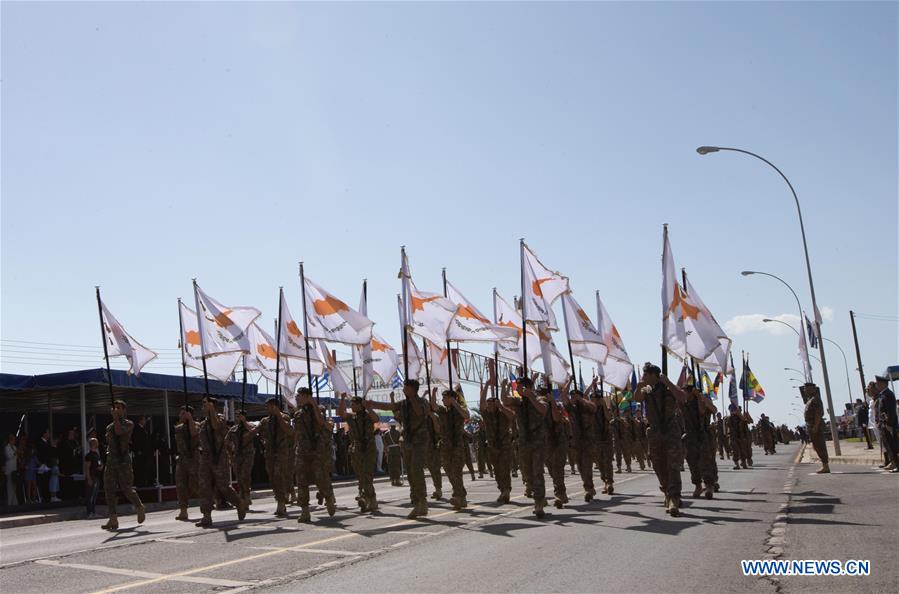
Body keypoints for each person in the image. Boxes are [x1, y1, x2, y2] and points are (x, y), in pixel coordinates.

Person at [633, 363, 690, 517]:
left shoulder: (668, 389)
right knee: (658, 465)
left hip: (671, 431)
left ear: (653, 375)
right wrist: (639, 387)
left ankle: (674, 498)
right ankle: (667, 491)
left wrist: (668, 383)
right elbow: (636, 398)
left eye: (645, 375)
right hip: (655, 432)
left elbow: (683, 398)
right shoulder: (647, 390)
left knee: (673, 465)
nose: (643, 377)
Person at [369, 380, 432, 519]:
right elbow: (389, 406)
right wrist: (372, 404)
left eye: (406, 387)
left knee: (416, 469)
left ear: (412, 389)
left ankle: (421, 502)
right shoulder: (403, 404)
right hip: (408, 441)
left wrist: (412, 398)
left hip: (420, 440)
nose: (403, 389)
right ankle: (419, 502)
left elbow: (420, 413)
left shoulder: (422, 402)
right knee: (410, 472)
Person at [195, 396, 246, 528]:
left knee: (223, 486)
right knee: (204, 486)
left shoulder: (220, 418)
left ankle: (239, 502)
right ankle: (206, 516)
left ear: (212, 405)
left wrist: (212, 412)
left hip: (219, 457)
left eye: (205, 404)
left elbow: (216, 426)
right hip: (206, 458)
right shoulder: (203, 423)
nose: (203, 406)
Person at [503, 376, 549, 518]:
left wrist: (531, 396)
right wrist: (504, 387)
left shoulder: (540, 399)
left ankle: (539, 503)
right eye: (518, 387)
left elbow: (543, 410)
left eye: (521, 386)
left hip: (537, 443)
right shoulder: (519, 402)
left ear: (529, 387)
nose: (519, 389)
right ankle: (537, 495)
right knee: (527, 474)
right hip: (523, 443)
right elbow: (505, 401)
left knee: (537, 473)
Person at [101, 399, 146, 531]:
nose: (116, 410)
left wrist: (116, 419)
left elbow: (120, 432)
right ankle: (113, 518)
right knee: (109, 489)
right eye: (114, 407)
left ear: (124, 410)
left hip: (123, 461)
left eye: (119, 407)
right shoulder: (109, 427)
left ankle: (139, 506)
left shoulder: (129, 423)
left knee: (126, 488)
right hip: (111, 461)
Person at [294, 388, 336, 522]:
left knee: (321, 478)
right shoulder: (298, 414)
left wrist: (313, 404)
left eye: (299, 396)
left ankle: (328, 497)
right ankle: (305, 511)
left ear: (306, 396)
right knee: (301, 481)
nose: (297, 398)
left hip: (317, 452)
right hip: (302, 452)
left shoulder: (318, 411)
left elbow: (321, 422)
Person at [252, 397, 294, 517]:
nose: (267, 408)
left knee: (278, 475)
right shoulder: (265, 420)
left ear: (275, 406)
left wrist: (278, 416)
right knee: (272, 478)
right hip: (269, 453)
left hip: (281, 452)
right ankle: (280, 498)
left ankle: (281, 502)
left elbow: (289, 431)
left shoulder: (284, 417)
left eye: (269, 406)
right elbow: (255, 430)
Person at [339, 393, 380, 513]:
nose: (351, 405)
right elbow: (340, 413)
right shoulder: (352, 417)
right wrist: (341, 399)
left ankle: (368, 498)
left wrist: (367, 407)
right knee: (360, 475)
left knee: (367, 475)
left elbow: (376, 419)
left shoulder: (367, 415)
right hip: (356, 449)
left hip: (368, 448)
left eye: (353, 404)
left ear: (360, 405)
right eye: (350, 403)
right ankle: (367, 496)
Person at [480, 371, 515, 503]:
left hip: (505, 445)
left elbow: (512, 416)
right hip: (493, 446)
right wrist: (487, 385)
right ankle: (502, 490)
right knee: (497, 470)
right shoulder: (487, 415)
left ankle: (506, 491)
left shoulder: (502, 414)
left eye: (491, 404)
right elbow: (482, 403)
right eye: (488, 405)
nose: (489, 406)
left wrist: (501, 406)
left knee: (505, 468)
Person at [562, 379, 598, 502]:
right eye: (572, 396)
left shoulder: (587, 407)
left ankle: (588, 489)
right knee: (580, 467)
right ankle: (589, 487)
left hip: (588, 441)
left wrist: (581, 399)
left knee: (587, 465)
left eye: (574, 396)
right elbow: (563, 396)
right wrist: (569, 381)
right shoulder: (571, 409)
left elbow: (594, 408)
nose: (572, 398)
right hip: (576, 442)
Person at [435, 388, 470, 511]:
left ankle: (459, 497)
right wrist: (433, 393)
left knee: (457, 472)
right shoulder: (444, 411)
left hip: (457, 445)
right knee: (449, 471)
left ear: (452, 398)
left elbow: (467, 415)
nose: (443, 400)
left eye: (445, 398)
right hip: (446, 446)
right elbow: (434, 406)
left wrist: (455, 403)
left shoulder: (459, 410)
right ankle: (460, 495)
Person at [681, 385, 719, 499]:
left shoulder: (701, 402)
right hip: (690, 437)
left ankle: (709, 486)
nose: (683, 395)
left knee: (706, 461)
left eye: (685, 392)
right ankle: (698, 485)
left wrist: (699, 396)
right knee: (693, 463)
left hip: (703, 437)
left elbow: (711, 410)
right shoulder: (685, 405)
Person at [544, 383, 570, 509]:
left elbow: (556, 417)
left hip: (559, 442)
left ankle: (560, 494)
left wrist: (552, 402)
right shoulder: (540, 407)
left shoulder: (557, 405)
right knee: (552, 470)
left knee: (558, 469)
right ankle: (561, 491)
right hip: (546, 444)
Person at [227, 409, 256, 511]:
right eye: (237, 416)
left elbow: (254, 432)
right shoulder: (233, 429)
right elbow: (227, 442)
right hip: (237, 456)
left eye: (240, 416)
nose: (238, 418)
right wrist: (231, 454)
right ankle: (243, 499)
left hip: (248, 455)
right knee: (239, 478)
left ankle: (246, 495)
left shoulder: (249, 426)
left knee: (245, 475)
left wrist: (244, 422)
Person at [174, 405, 199, 521]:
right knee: (180, 485)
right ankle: (183, 511)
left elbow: (194, 434)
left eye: (183, 413)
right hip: (182, 459)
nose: (180, 415)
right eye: (180, 413)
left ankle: (207, 502)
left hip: (193, 459)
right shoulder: (178, 428)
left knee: (194, 484)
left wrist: (190, 421)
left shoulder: (197, 425)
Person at [801, 383, 830, 474]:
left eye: (807, 389)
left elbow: (818, 413)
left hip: (815, 425)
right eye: (805, 389)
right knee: (817, 446)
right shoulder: (810, 400)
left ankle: (825, 466)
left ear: (813, 389)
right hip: (811, 425)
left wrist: (815, 426)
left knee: (820, 445)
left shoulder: (815, 399)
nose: (805, 391)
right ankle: (824, 465)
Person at [873, 375, 898, 471]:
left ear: (883, 384)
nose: (877, 386)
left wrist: (888, 424)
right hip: (883, 424)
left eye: (878, 384)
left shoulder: (888, 394)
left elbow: (890, 411)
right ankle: (893, 463)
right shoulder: (883, 394)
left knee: (893, 445)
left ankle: (896, 464)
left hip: (889, 425)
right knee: (888, 445)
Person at [83, 437, 102, 518]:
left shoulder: (96, 454)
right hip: (92, 477)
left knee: (94, 496)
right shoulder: (89, 455)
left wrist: (101, 466)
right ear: (93, 444)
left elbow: (99, 464)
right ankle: (89, 513)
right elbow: (87, 467)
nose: (97, 444)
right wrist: (89, 478)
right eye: (96, 443)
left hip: (97, 477)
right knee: (90, 496)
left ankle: (93, 512)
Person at [383, 420, 403, 486]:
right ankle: (397, 480)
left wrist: (386, 452)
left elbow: (385, 444)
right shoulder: (398, 433)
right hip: (396, 450)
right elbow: (400, 442)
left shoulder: (386, 433)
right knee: (397, 465)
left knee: (391, 465)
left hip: (389, 450)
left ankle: (392, 480)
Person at [5, 434, 18, 506]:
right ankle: (10, 503)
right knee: (9, 486)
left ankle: (14, 502)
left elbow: (16, 457)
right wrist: (15, 453)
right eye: (13, 439)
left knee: (14, 486)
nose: (14, 441)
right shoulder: (6, 448)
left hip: (14, 469)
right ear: (10, 440)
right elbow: (9, 456)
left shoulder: (15, 447)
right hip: (9, 469)